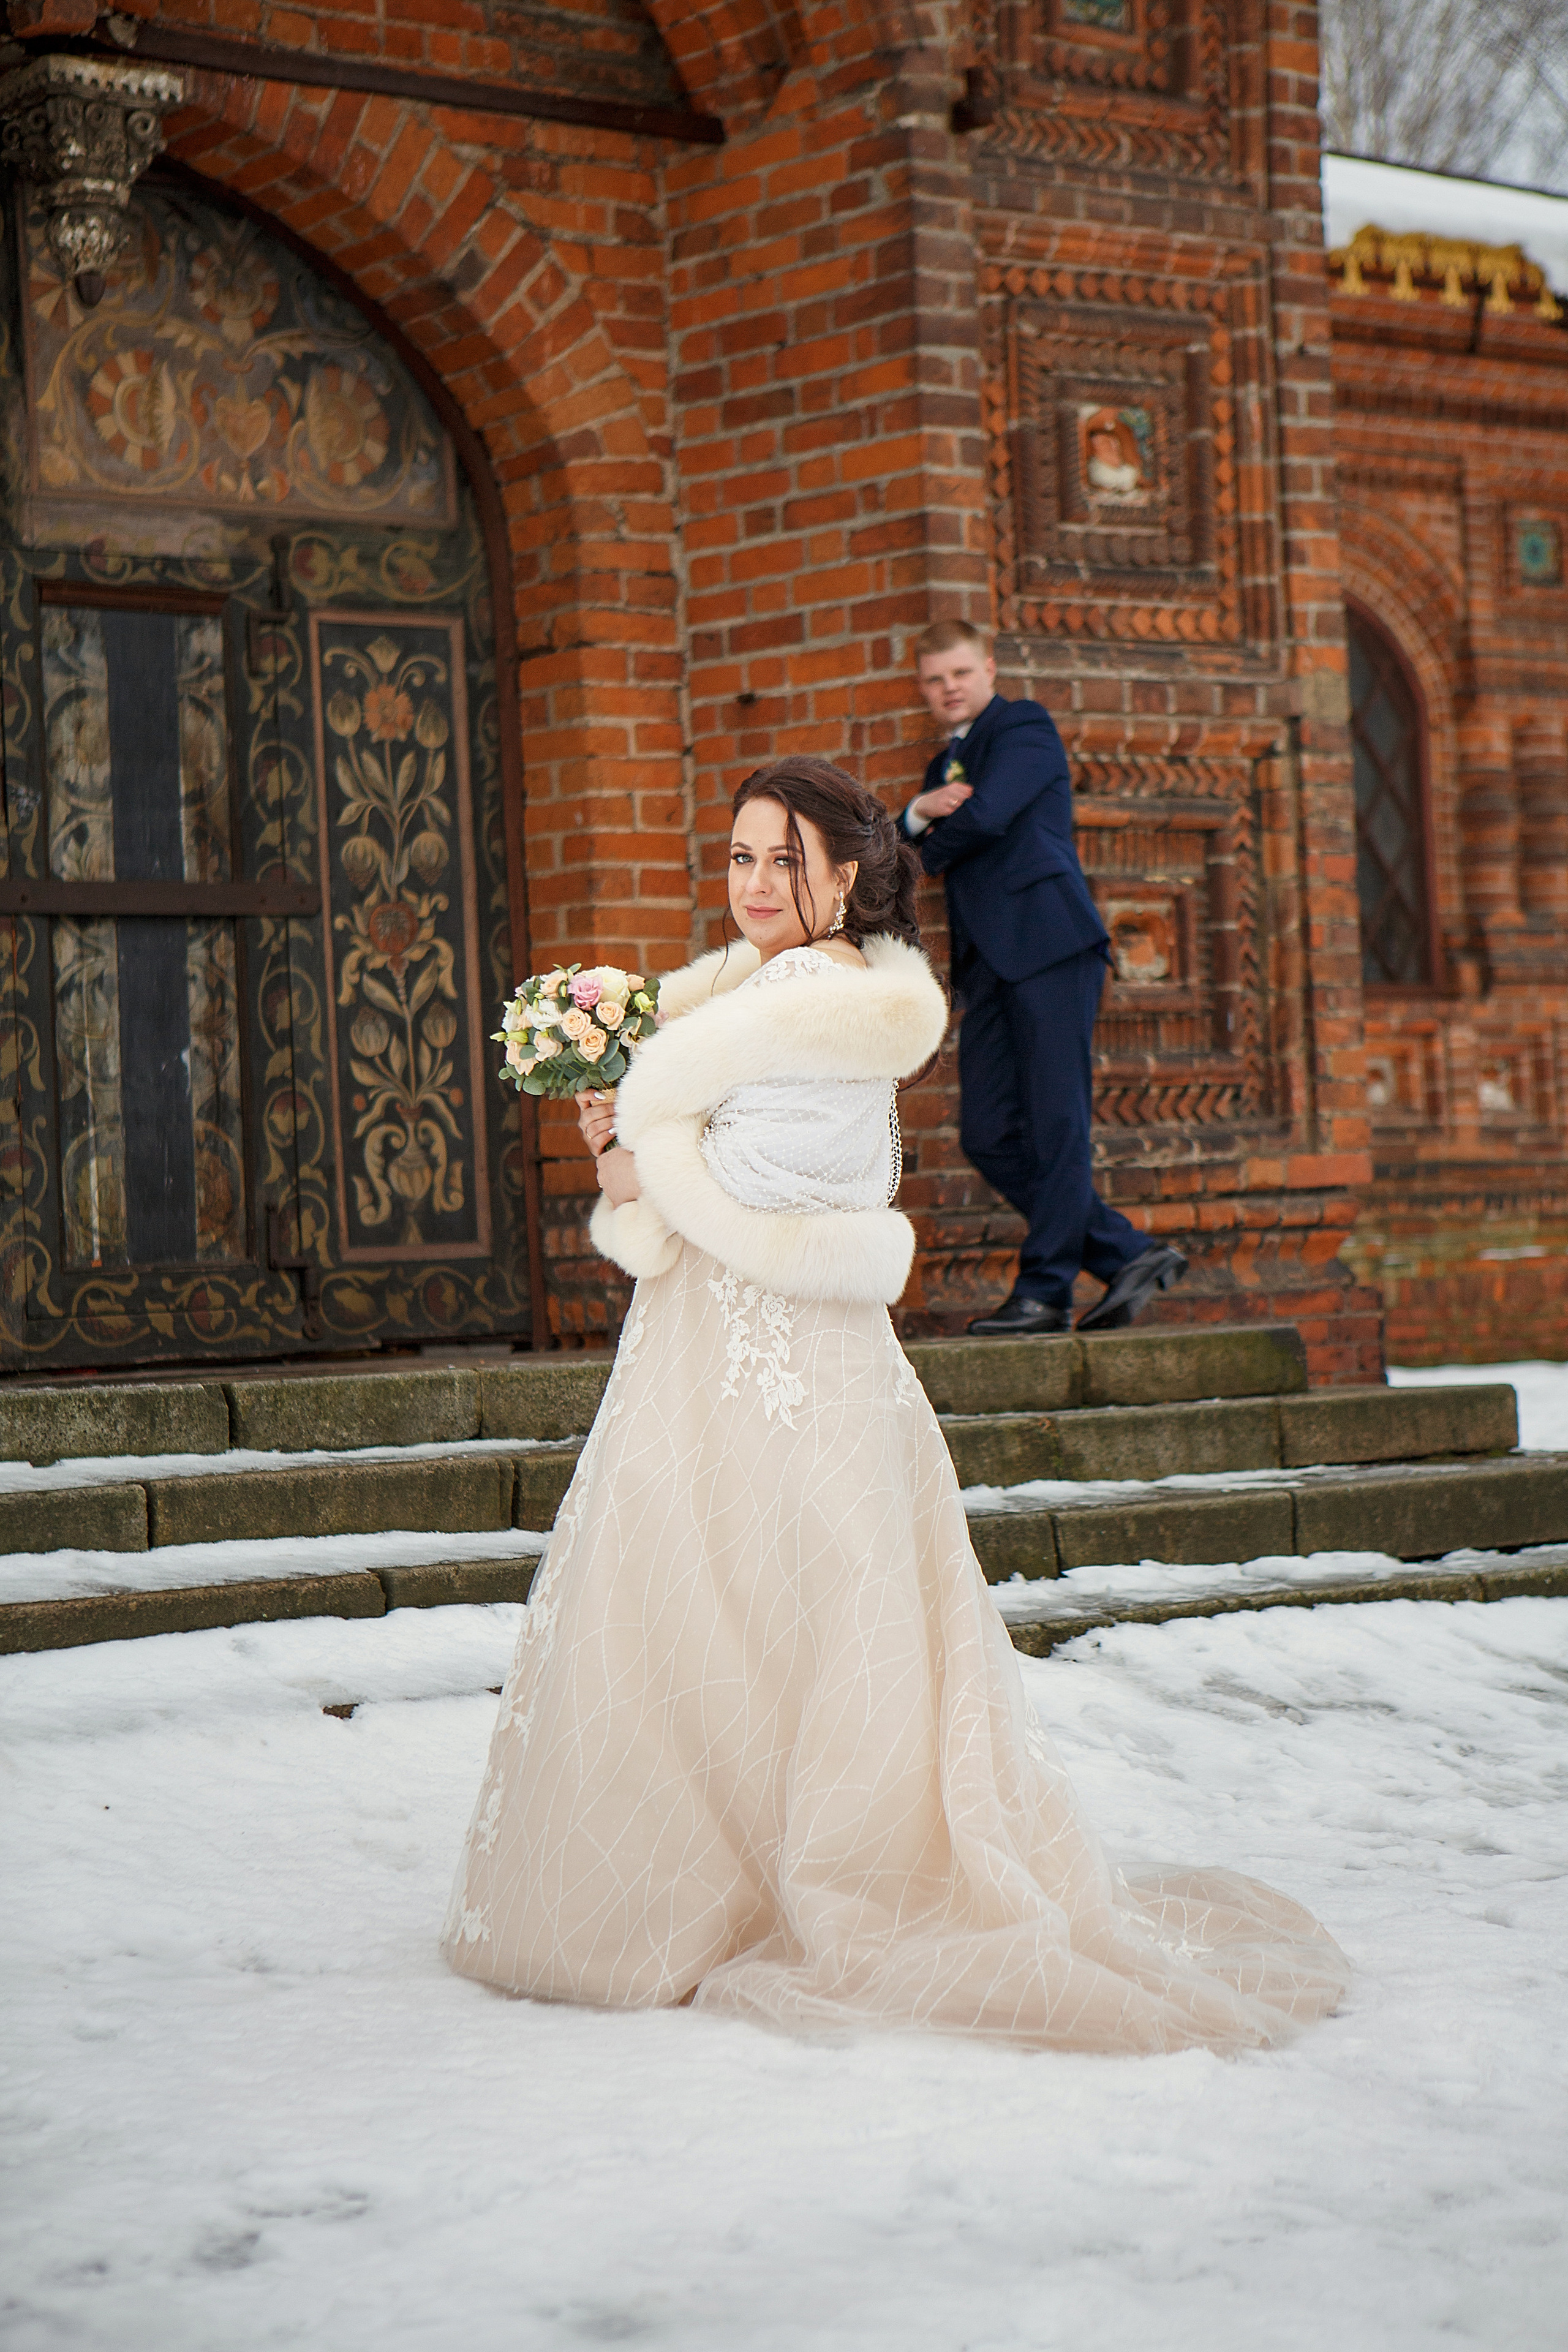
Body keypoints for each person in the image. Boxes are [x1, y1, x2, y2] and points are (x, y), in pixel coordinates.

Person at [441, 756, 1349, 2050]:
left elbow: (775, 1183)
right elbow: (678, 1204)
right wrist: (624, 1147)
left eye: (783, 860)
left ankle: (789, 1877)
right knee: (718, 1611)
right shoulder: (748, 990)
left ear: (850, 873)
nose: (756, 883)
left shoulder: (827, 1000)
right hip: (704, 1352)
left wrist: (631, 1143)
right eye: (741, 857)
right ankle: (715, 1869)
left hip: (792, 1365)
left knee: (788, 1610)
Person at [900, 619, 1189, 1336]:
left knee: (1056, 1124)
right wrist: (914, 813)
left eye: (960, 674)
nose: (949, 689)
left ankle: (1045, 1289)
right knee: (990, 1134)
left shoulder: (1025, 727)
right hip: (990, 966)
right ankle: (1128, 1253)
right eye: (935, 681)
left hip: (1051, 946)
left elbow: (992, 816)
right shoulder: (944, 769)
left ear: (989, 669)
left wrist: (915, 853)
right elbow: (945, 821)